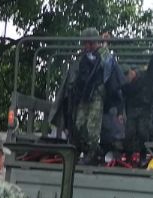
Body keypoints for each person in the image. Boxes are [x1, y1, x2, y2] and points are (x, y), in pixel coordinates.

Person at [51, 28, 125, 165]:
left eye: (91, 43)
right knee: (78, 125)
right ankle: (91, 150)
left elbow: (108, 65)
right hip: (84, 96)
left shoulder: (103, 55)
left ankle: (93, 153)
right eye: (86, 43)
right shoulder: (82, 57)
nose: (88, 46)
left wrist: (105, 44)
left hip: (97, 95)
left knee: (92, 128)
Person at [122, 66, 153, 162]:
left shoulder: (144, 76)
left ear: (131, 73)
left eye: (128, 77)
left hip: (143, 108)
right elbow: (124, 97)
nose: (128, 80)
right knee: (129, 133)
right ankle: (128, 156)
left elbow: (151, 89)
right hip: (132, 109)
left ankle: (143, 156)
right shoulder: (126, 84)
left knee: (143, 133)